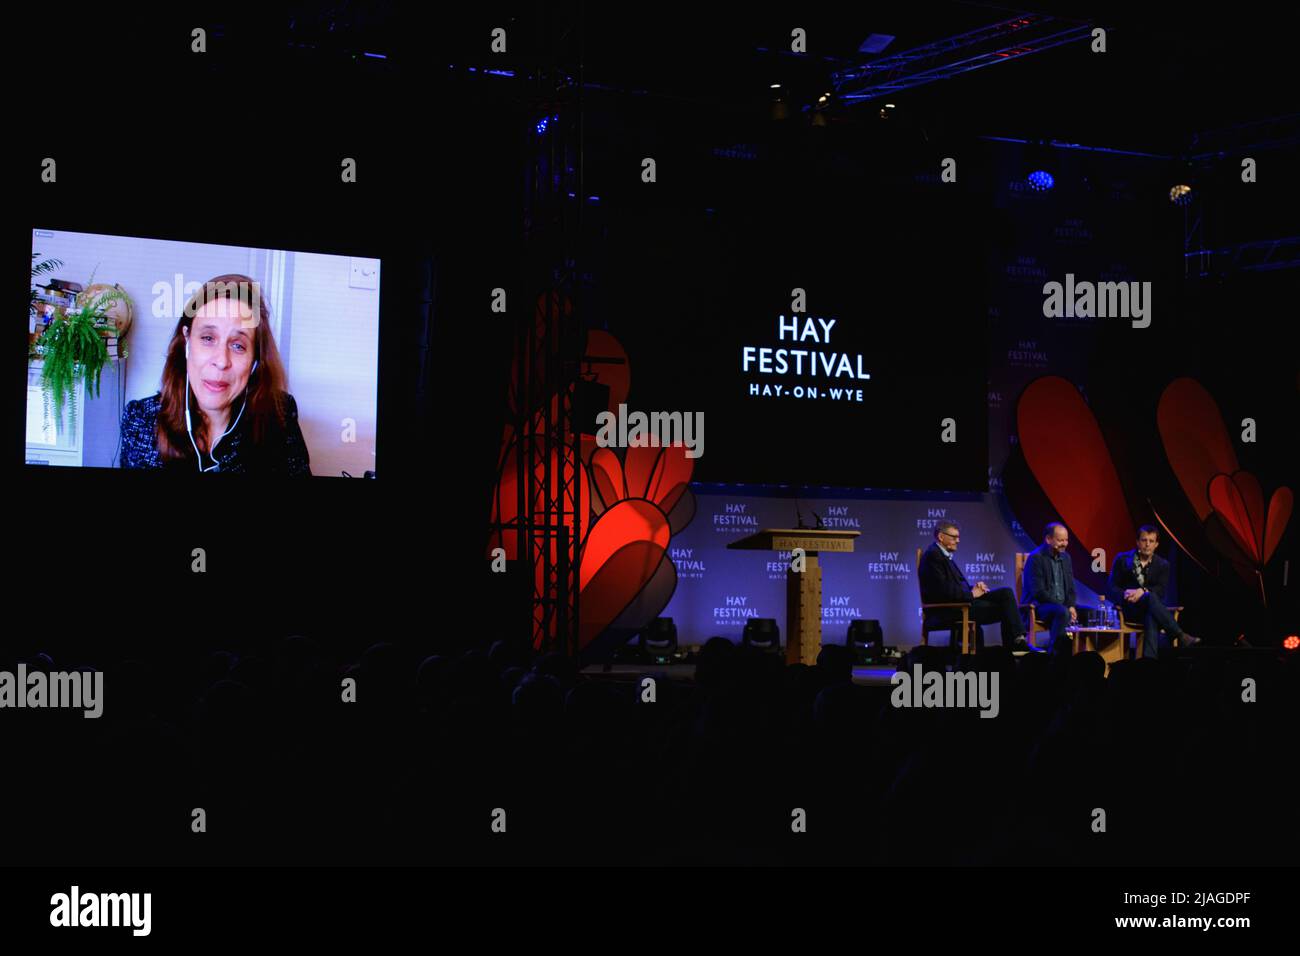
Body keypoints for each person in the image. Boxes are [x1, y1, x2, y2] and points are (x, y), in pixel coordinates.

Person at [119, 274, 311, 475]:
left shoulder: (280, 416)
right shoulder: (140, 421)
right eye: (208, 338)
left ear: (255, 359)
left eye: (238, 345)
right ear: (187, 341)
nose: (221, 361)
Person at [918, 520, 1032, 652]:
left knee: (1005, 593)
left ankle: (1018, 640)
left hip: (961, 602)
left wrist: (974, 588)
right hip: (950, 609)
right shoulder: (933, 556)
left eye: (958, 537)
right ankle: (1015, 646)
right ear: (941, 537)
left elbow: (952, 586)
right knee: (1006, 609)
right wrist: (971, 594)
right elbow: (942, 591)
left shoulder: (942, 555)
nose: (958, 540)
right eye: (954, 537)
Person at [1106, 525, 1201, 658]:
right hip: (1129, 609)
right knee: (1151, 602)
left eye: (1151, 541)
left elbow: (1160, 591)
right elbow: (1111, 588)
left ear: (1156, 544)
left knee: (1151, 612)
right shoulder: (1122, 559)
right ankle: (1179, 634)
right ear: (1137, 542)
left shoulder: (1163, 565)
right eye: (1144, 540)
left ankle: (1148, 664)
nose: (1147, 544)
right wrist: (1125, 594)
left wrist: (1143, 591)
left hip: (1151, 609)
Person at [1022, 522, 1077, 656]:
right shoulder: (1036, 558)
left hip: (1063, 606)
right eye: (1060, 540)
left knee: (1090, 613)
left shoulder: (1066, 557)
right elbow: (1039, 592)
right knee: (1062, 613)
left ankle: (1081, 656)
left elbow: (1070, 588)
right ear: (1048, 539)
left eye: (1066, 540)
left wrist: (1071, 605)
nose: (1064, 544)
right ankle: (1055, 655)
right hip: (1040, 606)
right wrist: (1064, 607)